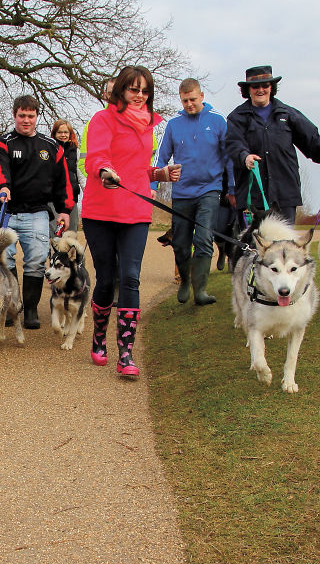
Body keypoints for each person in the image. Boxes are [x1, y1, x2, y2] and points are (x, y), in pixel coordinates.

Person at [81, 66, 180, 378]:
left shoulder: (148, 126)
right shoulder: (103, 119)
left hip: (136, 211)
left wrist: (158, 174)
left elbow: (137, 167)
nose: (139, 96)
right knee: (107, 279)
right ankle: (99, 338)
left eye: (145, 90)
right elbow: (96, 157)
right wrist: (105, 171)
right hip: (100, 210)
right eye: (134, 89)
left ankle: (126, 353)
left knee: (131, 277)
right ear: (121, 90)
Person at [0, 95, 74, 329]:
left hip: (37, 212)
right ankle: (12, 305)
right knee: (4, 259)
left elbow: (63, 181)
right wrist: (3, 186)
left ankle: (31, 310)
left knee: (36, 260)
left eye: (31, 116)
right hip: (6, 210)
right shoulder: (2, 142)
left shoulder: (52, 146)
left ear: (37, 117)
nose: (26, 120)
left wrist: (65, 210)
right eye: (22, 115)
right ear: (14, 115)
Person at [151, 78, 233, 306]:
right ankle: (185, 280)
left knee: (204, 238)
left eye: (193, 99)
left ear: (202, 96)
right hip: (182, 192)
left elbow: (228, 158)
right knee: (180, 242)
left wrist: (232, 188)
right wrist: (153, 185)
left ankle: (201, 290)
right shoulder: (174, 124)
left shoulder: (218, 120)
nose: (189, 104)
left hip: (209, 189)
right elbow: (161, 156)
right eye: (185, 100)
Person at [225, 65, 320, 224]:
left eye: (265, 85)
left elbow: (312, 141)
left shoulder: (288, 114)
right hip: (252, 198)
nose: (260, 90)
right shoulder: (236, 118)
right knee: (253, 247)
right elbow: (233, 144)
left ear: (271, 88)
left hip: (284, 195)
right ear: (248, 90)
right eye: (255, 86)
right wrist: (245, 157)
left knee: (284, 246)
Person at [52, 119, 82, 231]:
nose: (63, 135)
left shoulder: (76, 152)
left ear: (70, 134)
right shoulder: (50, 150)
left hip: (72, 199)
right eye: (60, 132)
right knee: (54, 233)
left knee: (71, 232)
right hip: (52, 199)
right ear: (54, 134)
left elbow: (80, 174)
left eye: (66, 132)